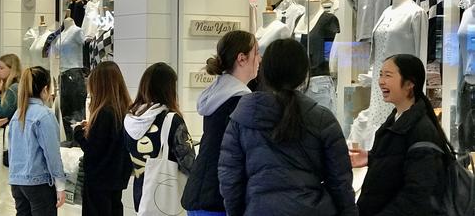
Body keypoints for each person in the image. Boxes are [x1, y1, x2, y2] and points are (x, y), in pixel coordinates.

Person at [218, 39, 357, 216]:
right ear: (303, 73)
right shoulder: (322, 118)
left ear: (264, 71)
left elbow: (230, 179)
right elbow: (340, 182)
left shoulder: (243, 118)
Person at [350, 54, 450, 215]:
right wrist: (372, 157)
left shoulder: (421, 130)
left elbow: (419, 192)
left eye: (388, 76)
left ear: (409, 83)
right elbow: (399, 162)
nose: (381, 81)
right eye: (380, 75)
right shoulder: (397, 119)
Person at [182, 30, 260, 215]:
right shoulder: (240, 101)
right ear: (242, 58)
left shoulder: (216, 95)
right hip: (219, 198)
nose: (260, 59)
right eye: (256, 52)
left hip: (199, 192)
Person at [123, 62, 196, 212]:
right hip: (166, 196)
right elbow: (188, 163)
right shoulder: (171, 119)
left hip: (141, 195)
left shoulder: (129, 119)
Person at [74, 62, 133, 216]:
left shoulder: (104, 113)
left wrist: (78, 132)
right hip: (117, 178)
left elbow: (93, 149)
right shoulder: (126, 110)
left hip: (99, 178)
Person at [8, 66, 66, 215]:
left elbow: (13, 151)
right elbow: (52, 153)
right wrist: (60, 185)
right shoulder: (44, 115)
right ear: (46, 89)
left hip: (17, 181)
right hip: (38, 182)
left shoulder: (17, 114)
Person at [0, 54, 22, 215]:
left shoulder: (14, 88)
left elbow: (2, 113)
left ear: (12, 69)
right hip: (10, 137)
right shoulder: (15, 87)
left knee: (4, 181)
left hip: (8, 138)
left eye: (2, 68)